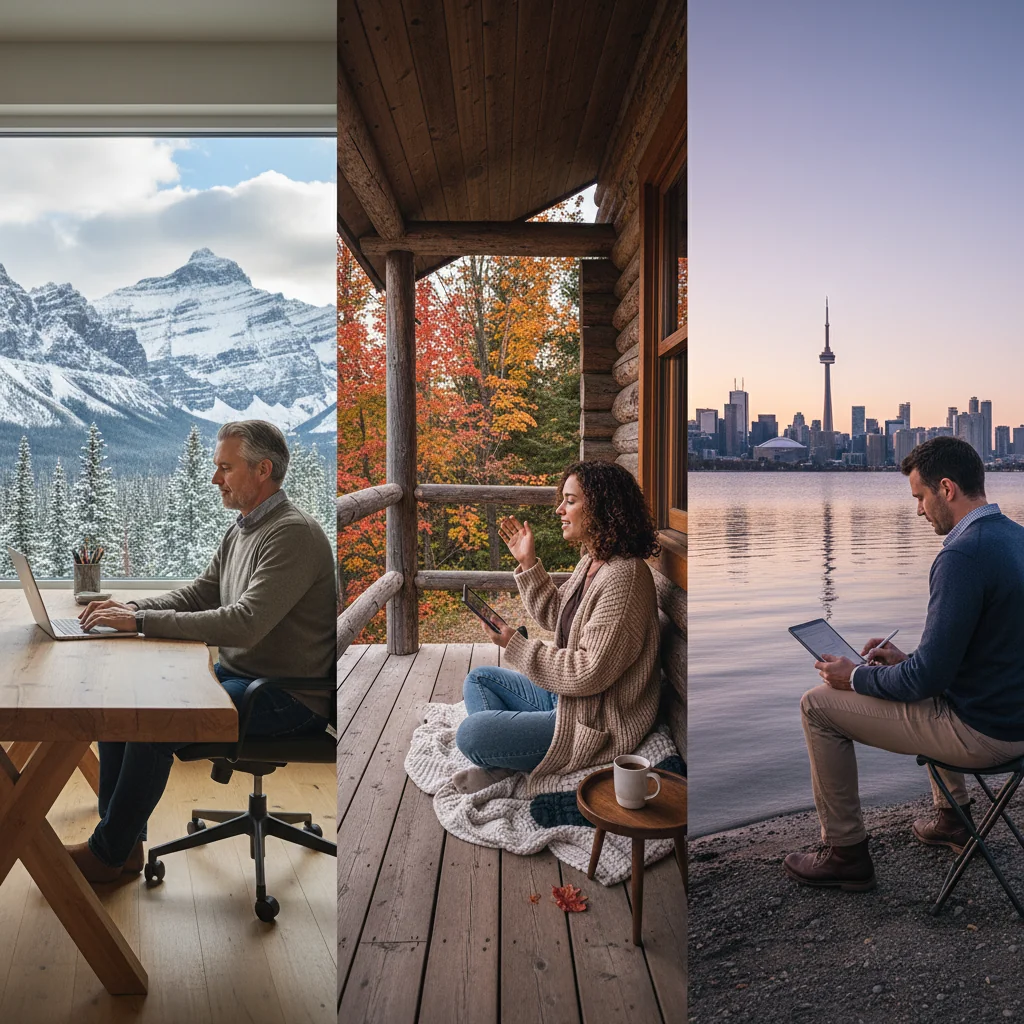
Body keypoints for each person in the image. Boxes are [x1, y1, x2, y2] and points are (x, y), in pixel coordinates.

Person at [68, 420, 336, 883]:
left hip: (287, 696)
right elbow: (199, 595)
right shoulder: (245, 529)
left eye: (225, 468)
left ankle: (108, 854)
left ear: (262, 470)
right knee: (122, 702)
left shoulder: (292, 535)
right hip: (241, 678)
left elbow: (244, 622)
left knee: (155, 720)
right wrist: (130, 607)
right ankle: (124, 846)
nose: (216, 479)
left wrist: (140, 623)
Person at [783, 436, 1024, 891]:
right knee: (920, 680)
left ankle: (845, 854)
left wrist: (855, 676)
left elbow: (927, 680)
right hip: (1014, 720)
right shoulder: (1015, 538)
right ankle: (953, 818)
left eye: (920, 497)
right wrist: (902, 660)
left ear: (947, 489)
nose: (918, 511)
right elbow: (977, 654)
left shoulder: (962, 555)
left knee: (817, 705)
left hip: (986, 734)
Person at [452, 460, 662, 795]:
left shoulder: (624, 577)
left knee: (472, 735)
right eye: (563, 500)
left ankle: (507, 760)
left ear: (602, 508)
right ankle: (507, 761)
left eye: (571, 500)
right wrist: (527, 563)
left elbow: (588, 671)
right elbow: (555, 615)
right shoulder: (593, 560)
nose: (560, 510)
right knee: (479, 679)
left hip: (595, 721)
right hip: (567, 698)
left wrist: (515, 646)